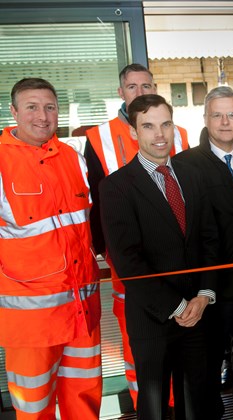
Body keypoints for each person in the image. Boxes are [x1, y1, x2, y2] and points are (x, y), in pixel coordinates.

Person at [100, 94, 219, 420]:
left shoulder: (192, 175)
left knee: (195, 402)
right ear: (134, 132)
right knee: (153, 407)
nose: (160, 134)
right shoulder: (117, 187)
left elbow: (209, 239)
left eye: (165, 123)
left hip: (197, 312)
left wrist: (205, 295)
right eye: (148, 126)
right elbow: (128, 261)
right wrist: (178, 306)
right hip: (153, 317)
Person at [85, 63, 189, 408]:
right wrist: (112, 256)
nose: (140, 92)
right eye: (132, 87)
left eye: (146, 85)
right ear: (121, 93)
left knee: (187, 367)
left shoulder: (182, 134)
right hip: (133, 270)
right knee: (145, 360)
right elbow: (98, 207)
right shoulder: (98, 138)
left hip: (183, 277)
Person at [0, 77, 102, 419]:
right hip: (32, 324)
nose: (42, 116)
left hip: (83, 313)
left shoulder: (74, 158)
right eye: (31, 107)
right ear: (13, 112)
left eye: (50, 107)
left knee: (84, 400)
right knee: (34, 406)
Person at [174, 86, 233, 420]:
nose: (225, 122)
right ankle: (211, 411)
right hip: (211, 286)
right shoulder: (185, 165)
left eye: (232, 114)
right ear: (205, 119)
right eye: (217, 115)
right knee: (210, 356)